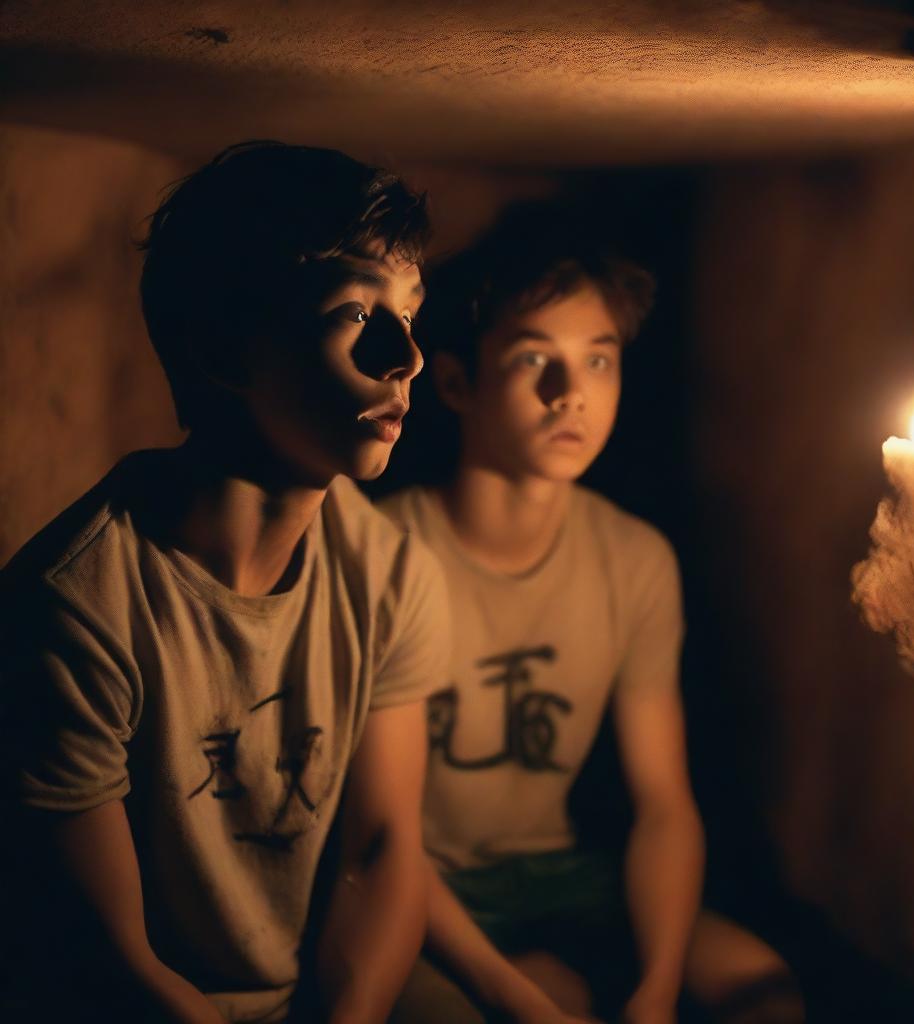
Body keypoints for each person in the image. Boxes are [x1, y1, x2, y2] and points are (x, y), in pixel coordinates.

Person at [0, 141, 449, 1024]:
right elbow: (107, 954)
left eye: (412, 311)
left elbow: (384, 847)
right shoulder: (76, 606)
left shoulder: (389, 571)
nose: (408, 358)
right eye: (359, 313)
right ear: (221, 346)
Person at [380, 206, 804, 1024]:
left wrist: (656, 989)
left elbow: (664, 804)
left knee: (764, 991)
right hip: (421, 882)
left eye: (598, 361)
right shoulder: (386, 550)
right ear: (459, 380)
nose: (570, 394)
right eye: (534, 357)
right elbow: (376, 836)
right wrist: (528, 1000)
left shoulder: (634, 557)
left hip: (563, 872)